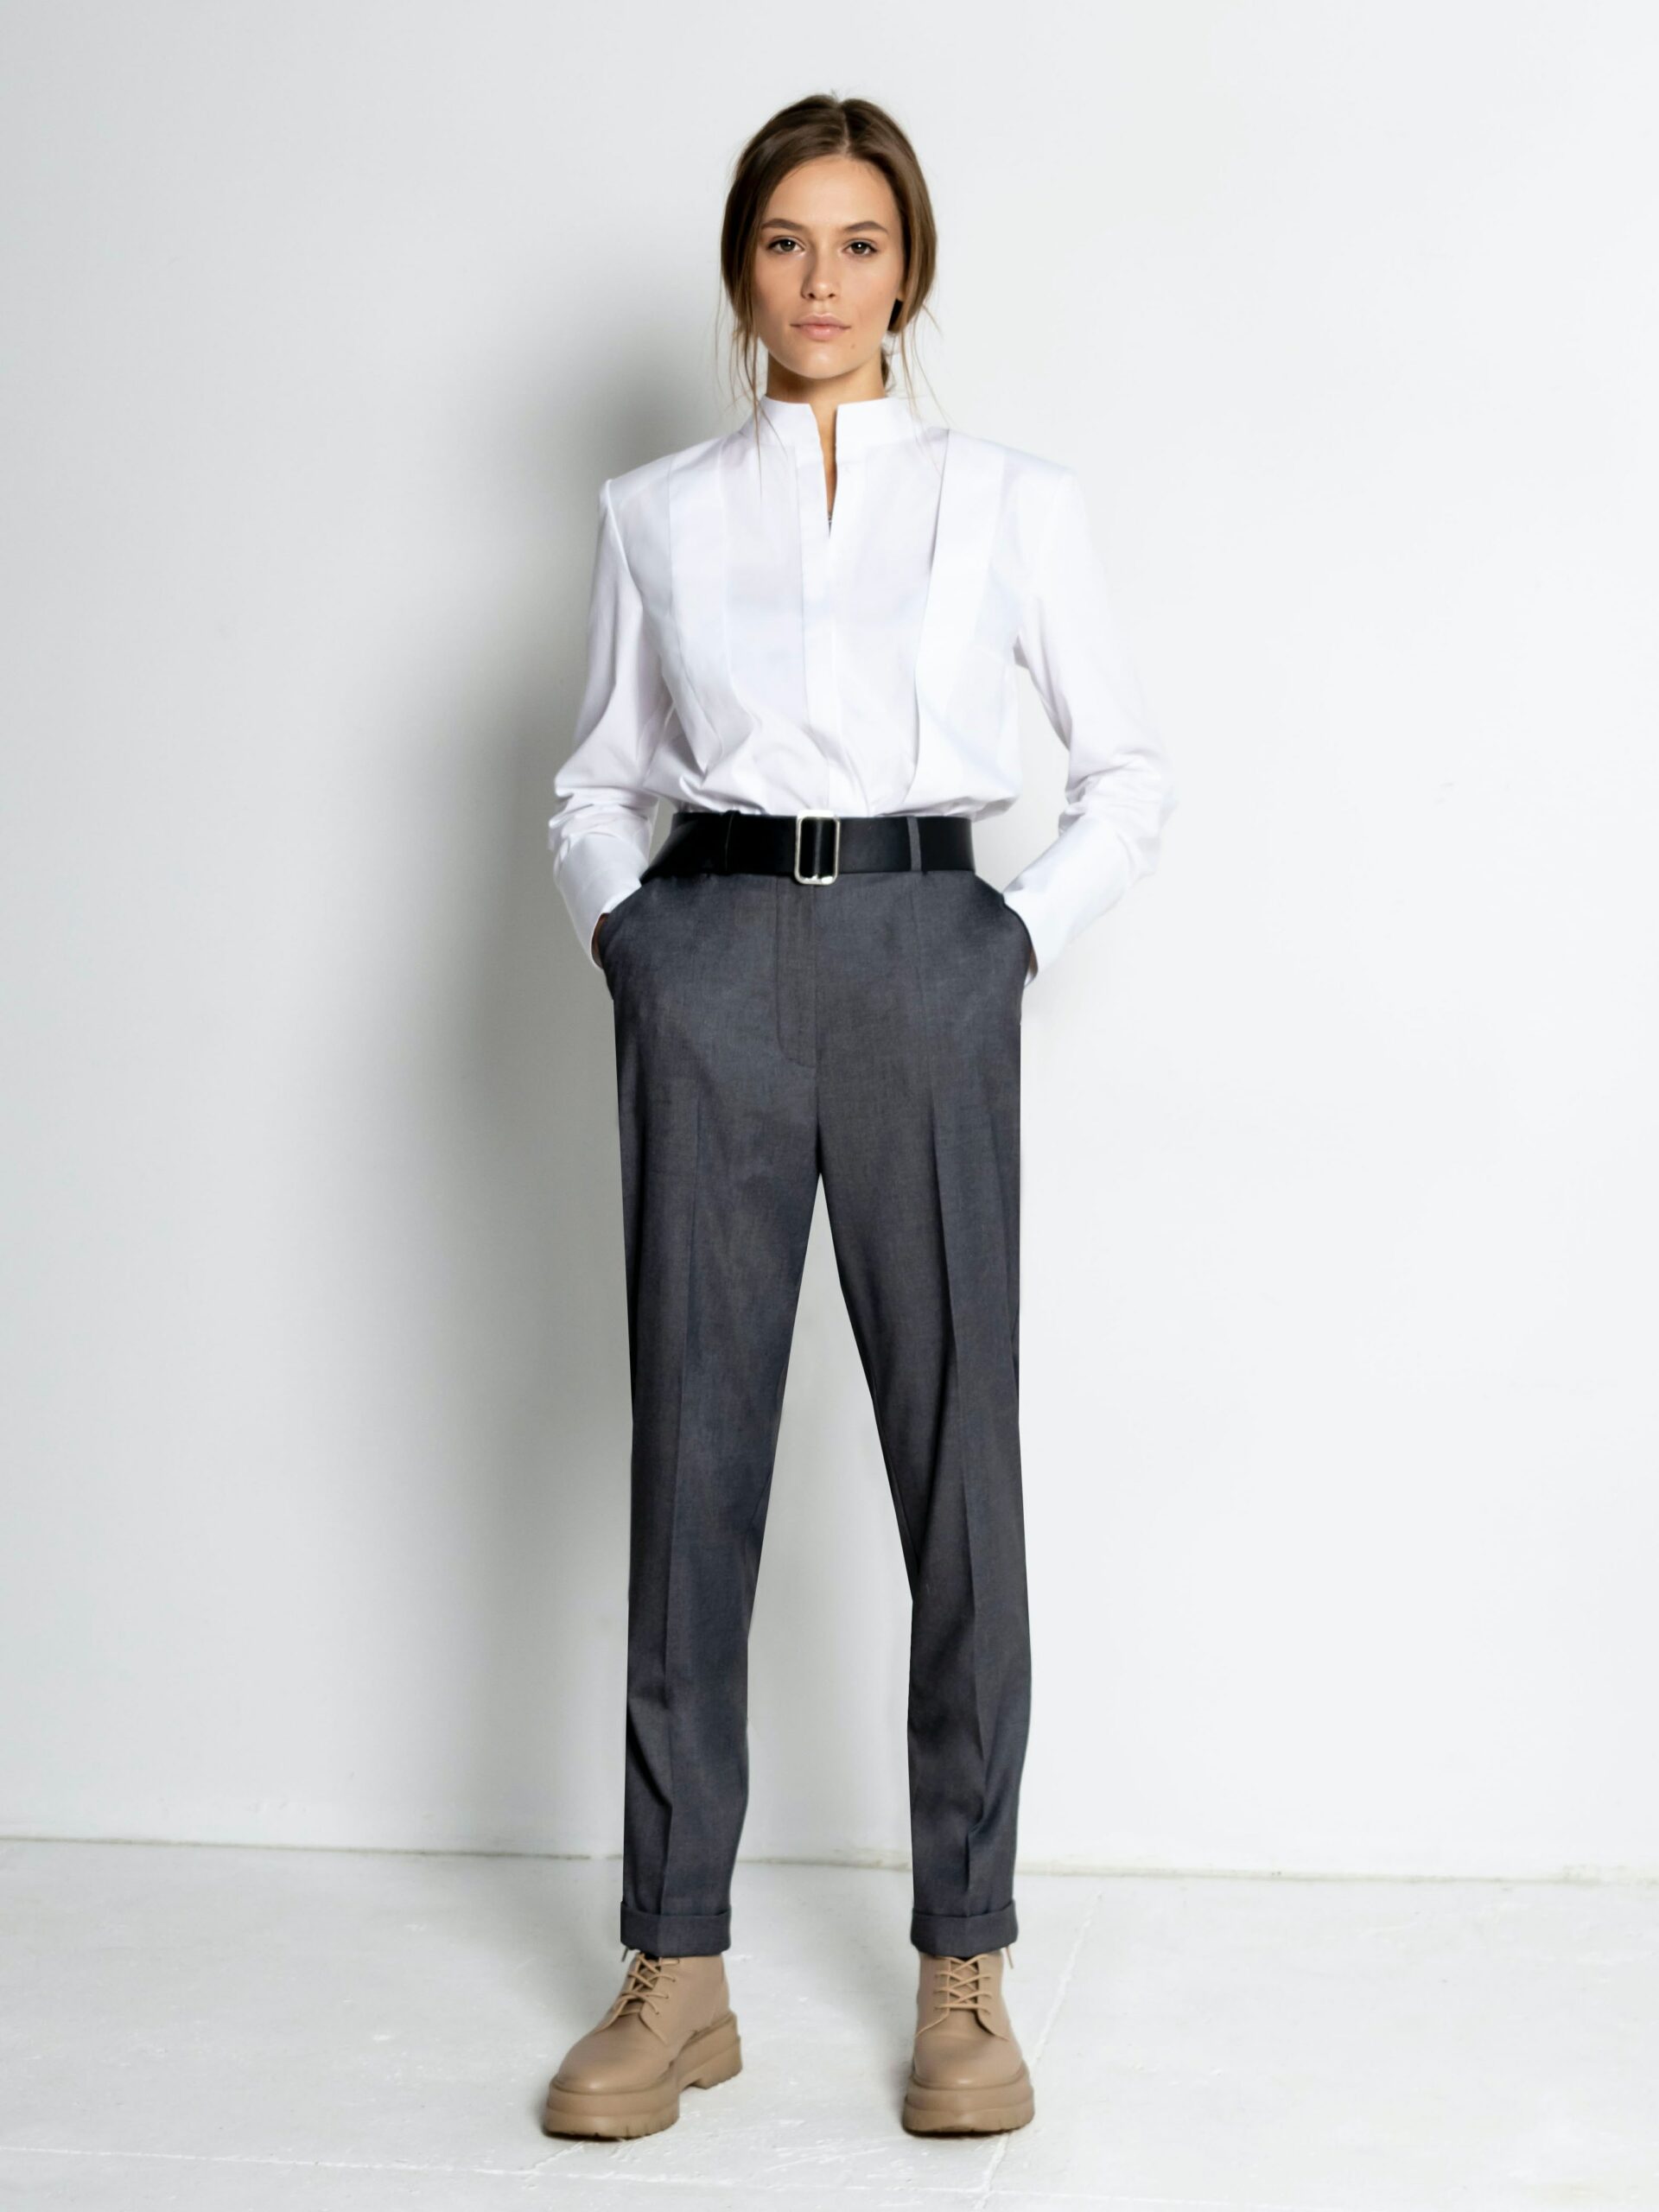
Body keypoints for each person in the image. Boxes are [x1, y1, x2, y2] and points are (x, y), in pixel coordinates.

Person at [541, 92, 1177, 2142]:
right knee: (694, 1459)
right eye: (787, 242)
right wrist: (639, 940)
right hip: (714, 954)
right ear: (743, 267)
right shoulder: (655, 508)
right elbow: (595, 779)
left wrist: (1009, 940)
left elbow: (1130, 772)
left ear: (911, 271)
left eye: (862, 242)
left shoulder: (1010, 503)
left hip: (927, 951)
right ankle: (679, 1966)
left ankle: (965, 1959)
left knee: (957, 1465)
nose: (823, 282)